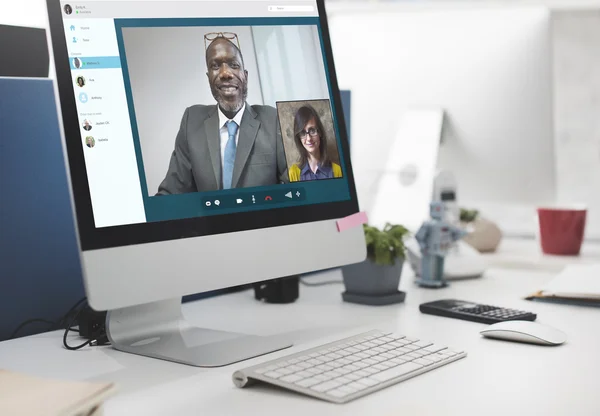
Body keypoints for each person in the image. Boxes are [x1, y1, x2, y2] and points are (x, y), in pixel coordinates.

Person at [156, 35, 288, 194]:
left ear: (245, 76)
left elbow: (296, 184)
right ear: (208, 78)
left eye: (234, 65)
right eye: (215, 66)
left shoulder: (274, 119)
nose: (226, 73)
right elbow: (172, 191)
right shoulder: (191, 121)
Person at [288, 105, 342, 182]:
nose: (309, 138)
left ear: (320, 132)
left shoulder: (337, 171)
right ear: (298, 138)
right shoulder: (293, 173)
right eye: (303, 133)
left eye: (312, 130)